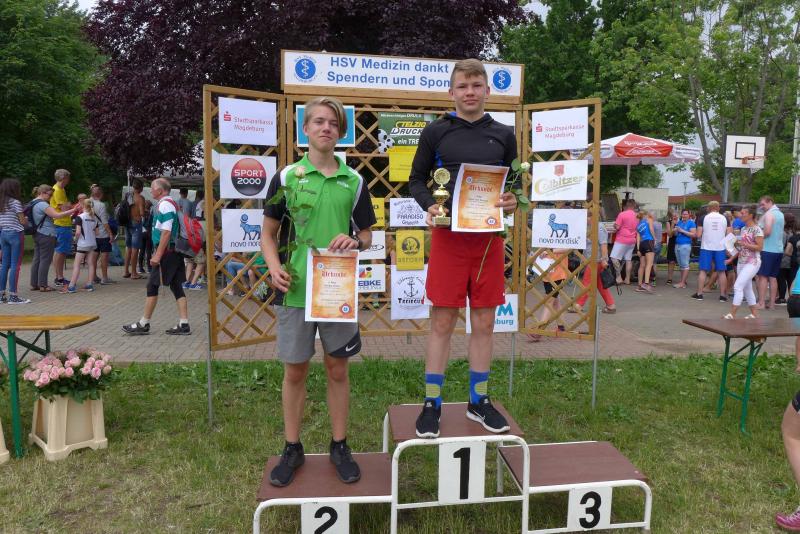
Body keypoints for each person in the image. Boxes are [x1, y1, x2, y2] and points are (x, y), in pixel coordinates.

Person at [261, 96, 375, 487]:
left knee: (337, 368)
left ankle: (339, 445)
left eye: (333, 123)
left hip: (335, 291)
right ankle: (292, 447)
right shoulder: (286, 177)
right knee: (295, 370)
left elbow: (367, 236)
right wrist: (274, 267)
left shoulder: (354, 180)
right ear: (305, 129)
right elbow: (268, 234)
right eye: (319, 121)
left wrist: (355, 242)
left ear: (341, 132)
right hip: (294, 290)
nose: (326, 128)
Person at [407, 58, 517, 438]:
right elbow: (416, 180)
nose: (469, 92)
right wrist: (429, 205)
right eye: (463, 86)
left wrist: (513, 200)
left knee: (485, 323)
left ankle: (478, 400)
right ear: (451, 91)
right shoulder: (436, 131)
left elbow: (515, 184)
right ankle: (431, 403)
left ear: (487, 89)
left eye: (476, 85)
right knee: (442, 322)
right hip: (449, 239)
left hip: (488, 242)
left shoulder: (504, 134)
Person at [122, 177, 191, 336]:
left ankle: (143, 323)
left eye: (153, 188)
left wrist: (157, 255)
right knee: (176, 286)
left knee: (152, 286)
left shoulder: (165, 205)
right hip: (172, 251)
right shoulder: (170, 203)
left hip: (167, 252)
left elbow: (166, 232)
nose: (151, 190)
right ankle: (184, 323)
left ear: (160, 190)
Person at [28, 185, 76, 292]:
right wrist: (73, 210)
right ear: (42, 193)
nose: (50, 198)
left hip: (37, 233)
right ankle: (43, 285)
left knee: (37, 259)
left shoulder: (33, 202)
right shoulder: (42, 204)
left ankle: (34, 284)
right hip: (47, 234)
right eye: (50, 195)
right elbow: (57, 215)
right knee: (45, 260)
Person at [724, 205, 763, 319]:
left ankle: (732, 314)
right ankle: (754, 314)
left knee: (738, 286)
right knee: (747, 288)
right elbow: (741, 248)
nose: (740, 215)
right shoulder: (743, 229)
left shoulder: (757, 229)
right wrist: (731, 257)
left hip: (753, 262)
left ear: (750, 215)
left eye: (743, 213)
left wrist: (744, 244)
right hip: (741, 261)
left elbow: (760, 247)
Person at [575, 211, 615, 314]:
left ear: (594, 216)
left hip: (596, 260)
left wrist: (604, 259)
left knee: (587, 283)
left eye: (588, 216)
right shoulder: (590, 227)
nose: (586, 219)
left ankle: (579, 305)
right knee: (600, 284)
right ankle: (611, 305)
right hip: (592, 260)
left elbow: (604, 245)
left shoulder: (599, 228)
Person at [692, 201, 730, 301]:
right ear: (718, 208)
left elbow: (698, 235)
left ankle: (699, 294)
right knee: (721, 272)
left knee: (703, 271)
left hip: (706, 247)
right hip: (720, 248)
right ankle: (723, 296)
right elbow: (729, 234)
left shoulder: (703, 218)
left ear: (708, 208)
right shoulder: (725, 218)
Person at [0, 178, 29, 304]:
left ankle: (1, 295)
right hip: (15, 234)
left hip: (3, 234)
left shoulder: (1, 202)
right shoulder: (15, 202)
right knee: (15, 265)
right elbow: (22, 221)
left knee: (4, 265)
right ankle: (13, 296)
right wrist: (26, 219)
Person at [62, 199, 99, 294]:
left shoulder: (80, 217)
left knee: (76, 265)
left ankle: (71, 286)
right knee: (91, 264)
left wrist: (75, 239)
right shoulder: (94, 217)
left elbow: (78, 232)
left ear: (83, 206)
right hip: (92, 243)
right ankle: (89, 284)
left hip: (83, 244)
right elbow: (97, 233)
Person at [757, 196, 784, 309]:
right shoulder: (780, 214)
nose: (762, 207)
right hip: (778, 250)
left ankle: (761, 303)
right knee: (773, 277)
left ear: (770, 202)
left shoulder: (769, 214)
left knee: (763, 276)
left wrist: (757, 237)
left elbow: (767, 231)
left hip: (767, 249)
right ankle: (772, 304)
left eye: (763, 204)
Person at [50, 169, 74, 287]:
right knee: (60, 251)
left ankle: (59, 277)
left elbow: (65, 206)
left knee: (62, 251)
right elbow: (64, 208)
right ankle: (59, 278)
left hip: (64, 223)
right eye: (68, 178)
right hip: (61, 223)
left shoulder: (61, 189)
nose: (69, 181)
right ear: (63, 178)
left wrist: (68, 205)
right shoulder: (58, 190)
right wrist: (72, 206)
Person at [90, 185, 116, 285]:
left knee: (94, 256)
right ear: (101, 194)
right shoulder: (101, 205)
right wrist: (110, 234)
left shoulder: (88, 203)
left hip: (92, 234)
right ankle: (104, 278)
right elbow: (105, 222)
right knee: (104, 256)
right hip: (102, 234)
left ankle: (93, 276)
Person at [610, 199, 638, 285]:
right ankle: (627, 279)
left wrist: (614, 225)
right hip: (632, 240)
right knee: (628, 259)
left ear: (626, 206)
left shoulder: (622, 214)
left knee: (614, 257)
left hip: (622, 239)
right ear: (634, 206)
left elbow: (617, 227)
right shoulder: (637, 216)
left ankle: (619, 277)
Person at [123, 179, 146, 279]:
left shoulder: (128, 196)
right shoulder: (140, 198)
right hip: (136, 223)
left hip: (127, 222)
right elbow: (141, 213)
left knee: (128, 247)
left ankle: (126, 271)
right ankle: (133, 273)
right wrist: (146, 211)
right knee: (135, 248)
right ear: (141, 188)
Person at [672, 209, 696, 288]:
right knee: (681, 265)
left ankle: (682, 283)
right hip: (677, 245)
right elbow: (675, 234)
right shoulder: (680, 222)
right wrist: (675, 230)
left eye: (686, 214)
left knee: (685, 265)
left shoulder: (691, 223)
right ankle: (683, 282)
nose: (684, 215)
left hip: (685, 245)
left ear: (689, 215)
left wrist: (682, 230)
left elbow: (693, 235)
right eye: (683, 214)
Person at [778, 213, 798, 306]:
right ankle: (791, 297)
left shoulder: (783, 233)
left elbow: (781, 246)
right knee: (791, 279)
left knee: (781, 278)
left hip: (784, 258)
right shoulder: (794, 233)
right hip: (793, 259)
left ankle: (782, 297)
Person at [635, 211, 656, 293]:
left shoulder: (638, 225)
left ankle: (639, 285)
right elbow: (651, 229)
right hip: (649, 242)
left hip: (642, 244)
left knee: (642, 265)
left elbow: (637, 238)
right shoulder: (649, 219)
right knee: (649, 264)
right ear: (646, 215)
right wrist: (654, 238)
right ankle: (646, 283)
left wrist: (638, 249)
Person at [665, 210, 678, 285]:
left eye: (676, 214)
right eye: (673, 215)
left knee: (681, 262)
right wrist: (672, 224)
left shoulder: (681, 222)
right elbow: (670, 235)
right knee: (671, 261)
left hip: (680, 243)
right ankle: (670, 278)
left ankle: (683, 280)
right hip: (672, 243)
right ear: (671, 216)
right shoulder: (668, 222)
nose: (675, 216)